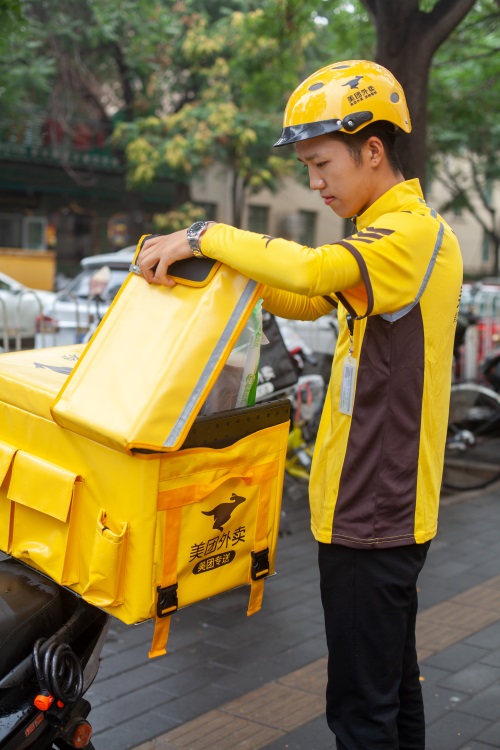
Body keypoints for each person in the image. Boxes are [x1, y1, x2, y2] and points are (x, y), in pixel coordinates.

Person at [137, 60, 463, 750]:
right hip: (375, 505)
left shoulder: (410, 236)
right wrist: (234, 275)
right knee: (390, 687)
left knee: (360, 709)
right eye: (308, 168)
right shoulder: (384, 237)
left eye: (321, 164)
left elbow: (312, 272)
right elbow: (305, 297)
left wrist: (203, 235)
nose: (315, 182)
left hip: (374, 510)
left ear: (371, 150)